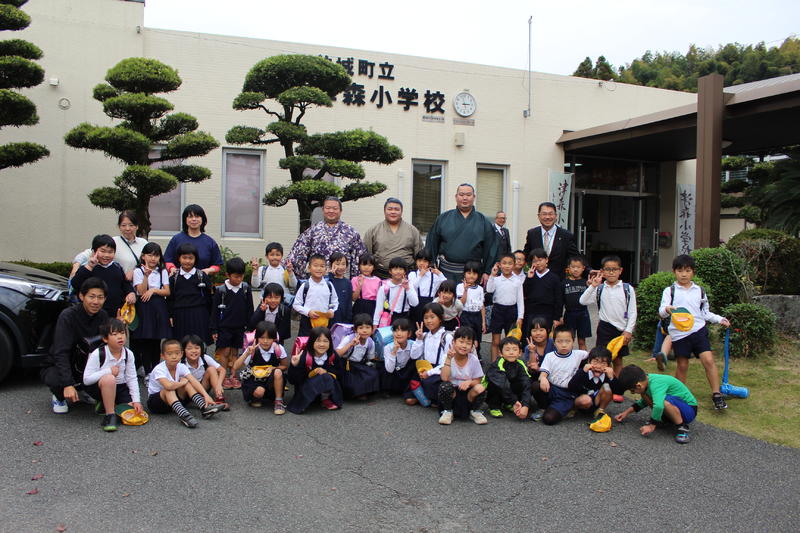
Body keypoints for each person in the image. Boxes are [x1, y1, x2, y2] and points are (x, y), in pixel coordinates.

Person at [658, 254, 731, 410]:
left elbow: (705, 313)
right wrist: (667, 309)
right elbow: (661, 312)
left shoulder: (700, 291)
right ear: (674, 272)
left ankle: (717, 395)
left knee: (708, 360)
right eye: (680, 271)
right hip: (679, 334)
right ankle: (678, 396)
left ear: (693, 272)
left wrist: (720, 319)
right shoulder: (670, 291)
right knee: (682, 365)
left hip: (698, 330)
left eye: (687, 271)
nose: (684, 274)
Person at [42, 277, 110, 414]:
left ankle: (84, 390)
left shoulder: (103, 316)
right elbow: (61, 352)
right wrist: (67, 384)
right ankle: (59, 396)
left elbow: (106, 347)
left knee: (111, 377)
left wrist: (117, 328)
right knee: (56, 379)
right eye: (91, 296)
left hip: (86, 363)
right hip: (63, 362)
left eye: (100, 297)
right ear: (81, 296)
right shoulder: (68, 316)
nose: (96, 302)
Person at [579, 254, 637, 399]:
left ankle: (616, 389)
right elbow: (583, 301)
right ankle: (601, 388)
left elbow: (632, 312)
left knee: (618, 360)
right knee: (602, 360)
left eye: (614, 269)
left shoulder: (627, 289)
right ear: (602, 271)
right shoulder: (600, 288)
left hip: (621, 330)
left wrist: (628, 331)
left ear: (620, 270)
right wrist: (593, 285)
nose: (611, 272)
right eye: (607, 269)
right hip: (605, 328)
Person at [425, 183, 498, 283]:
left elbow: (491, 249)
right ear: (456, 197)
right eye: (461, 194)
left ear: (474, 197)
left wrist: (487, 271)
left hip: (473, 273)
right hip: (446, 272)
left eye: (468, 195)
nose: (465, 198)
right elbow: (432, 243)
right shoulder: (443, 218)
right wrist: (431, 264)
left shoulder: (483, 221)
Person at [146, 338, 224, 428]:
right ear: (162, 356)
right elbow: (168, 385)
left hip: (174, 402)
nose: (174, 356)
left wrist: (206, 395)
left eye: (177, 353)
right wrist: (182, 383)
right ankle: (184, 415)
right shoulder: (159, 369)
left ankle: (204, 407)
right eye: (170, 354)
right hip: (157, 404)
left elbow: (193, 381)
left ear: (181, 354)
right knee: (169, 389)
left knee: (187, 382)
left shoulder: (181, 366)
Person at [82, 318, 142, 432]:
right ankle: (109, 415)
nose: (120, 337)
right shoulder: (98, 353)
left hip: (120, 387)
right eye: (114, 334)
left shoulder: (128, 354)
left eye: (122, 333)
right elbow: (86, 379)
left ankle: (105, 405)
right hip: (98, 387)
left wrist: (136, 400)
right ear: (105, 339)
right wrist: (108, 371)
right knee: (109, 379)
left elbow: (132, 378)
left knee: (131, 409)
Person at [287, 196, 367, 279]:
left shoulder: (350, 232)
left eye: (335, 208)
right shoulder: (312, 231)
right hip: (317, 280)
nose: (331, 211)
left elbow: (359, 259)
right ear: (323, 210)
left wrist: (355, 282)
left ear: (340, 211)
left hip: (341, 280)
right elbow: (298, 256)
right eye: (328, 208)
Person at [615, 364, 698, 444]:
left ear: (639, 385)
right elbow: (643, 402)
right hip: (676, 407)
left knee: (662, 401)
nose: (633, 393)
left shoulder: (656, 384)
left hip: (689, 410)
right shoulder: (647, 383)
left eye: (632, 391)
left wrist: (652, 425)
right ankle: (665, 420)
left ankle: (682, 428)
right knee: (646, 395)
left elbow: (658, 406)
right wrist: (626, 413)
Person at [210, 257, 254, 390]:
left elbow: (250, 308)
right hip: (224, 327)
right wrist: (214, 329)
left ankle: (233, 376)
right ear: (227, 275)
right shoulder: (221, 290)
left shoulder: (245, 288)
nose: (239, 279)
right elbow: (214, 311)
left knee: (235, 352)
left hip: (240, 327)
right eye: (236, 276)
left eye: (241, 276)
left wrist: (250, 326)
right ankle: (223, 376)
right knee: (225, 352)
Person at [131, 242, 171, 382]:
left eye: (156, 255)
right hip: (144, 307)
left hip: (158, 306)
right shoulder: (138, 271)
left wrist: (153, 290)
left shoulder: (162, 271)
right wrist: (146, 276)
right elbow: (141, 291)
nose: (153, 258)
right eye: (150, 255)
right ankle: (148, 372)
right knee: (145, 340)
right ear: (143, 256)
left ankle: (156, 370)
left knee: (157, 340)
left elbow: (167, 291)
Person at [70, 210, 148, 282]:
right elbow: (86, 254)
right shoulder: (113, 242)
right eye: (123, 225)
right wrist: (76, 266)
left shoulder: (143, 243)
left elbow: (150, 263)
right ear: (119, 227)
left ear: (137, 226)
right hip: (118, 283)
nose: (127, 228)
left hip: (141, 285)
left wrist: (134, 271)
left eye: (131, 225)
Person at [533, 325, 588, 425]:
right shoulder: (550, 356)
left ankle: (567, 407)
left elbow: (596, 355)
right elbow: (543, 374)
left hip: (567, 394)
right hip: (552, 389)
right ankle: (543, 407)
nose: (564, 345)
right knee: (536, 385)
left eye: (567, 341)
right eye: (559, 341)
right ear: (554, 342)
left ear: (573, 341)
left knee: (549, 419)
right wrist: (543, 378)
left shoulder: (579, 354)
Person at [71, 234, 136, 318]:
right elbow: (75, 284)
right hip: (93, 315)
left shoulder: (116, 267)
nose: (106, 255)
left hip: (115, 314)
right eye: (103, 251)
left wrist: (131, 292)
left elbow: (125, 284)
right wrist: (90, 266)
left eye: (110, 252)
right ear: (94, 252)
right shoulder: (88, 268)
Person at [233, 321, 288, 414]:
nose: (265, 341)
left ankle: (278, 401)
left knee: (278, 372)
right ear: (257, 338)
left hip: (270, 380)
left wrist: (274, 368)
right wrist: (247, 353)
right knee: (259, 392)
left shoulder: (278, 349)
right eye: (262, 337)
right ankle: (255, 398)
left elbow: (285, 366)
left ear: (274, 338)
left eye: (269, 338)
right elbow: (235, 367)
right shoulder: (252, 349)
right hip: (254, 379)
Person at [437, 326, 488, 425]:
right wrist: (448, 359)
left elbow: (478, 380)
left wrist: (469, 382)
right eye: (461, 342)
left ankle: (475, 411)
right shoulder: (447, 357)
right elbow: (444, 378)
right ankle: (448, 411)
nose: (464, 346)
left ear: (472, 346)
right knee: (444, 386)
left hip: (468, 393)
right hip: (452, 392)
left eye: (468, 343)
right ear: (453, 342)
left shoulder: (473, 359)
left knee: (480, 387)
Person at [363, 197, 424, 279]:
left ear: (401, 212)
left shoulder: (412, 230)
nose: (393, 212)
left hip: (406, 275)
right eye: (390, 209)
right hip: (381, 275)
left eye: (396, 209)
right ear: (384, 211)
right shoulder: (373, 230)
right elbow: (367, 254)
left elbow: (419, 255)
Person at [287, 326, 343, 413]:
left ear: (330, 342)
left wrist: (327, 372)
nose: (322, 344)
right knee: (322, 378)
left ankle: (326, 398)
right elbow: (292, 380)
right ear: (311, 342)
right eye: (318, 341)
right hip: (307, 389)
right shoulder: (304, 356)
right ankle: (304, 402)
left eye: (325, 341)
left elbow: (340, 373)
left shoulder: (332, 355)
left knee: (326, 377)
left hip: (325, 388)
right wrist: (294, 366)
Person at [407, 303, 452, 406]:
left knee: (430, 383)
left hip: (438, 370)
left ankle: (428, 398)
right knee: (409, 399)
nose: (429, 321)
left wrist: (430, 373)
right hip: (424, 368)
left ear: (440, 318)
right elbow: (414, 356)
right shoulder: (425, 335)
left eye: (432, 317)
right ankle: (425, 397)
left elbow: (446, 362)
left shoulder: (446, 337)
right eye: (426, 318)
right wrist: (418, 339)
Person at [168, 243, 213, 344]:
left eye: (191, 258)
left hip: (199, 315)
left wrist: (210, 318)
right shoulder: (174, 278)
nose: (187, 261)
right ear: (179, 258)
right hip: (179, 316)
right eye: (184, 258)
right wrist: (170, 315)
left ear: (195, 259)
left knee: (199, 344)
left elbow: (209, 298)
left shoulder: (202, 276)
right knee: (181, 345)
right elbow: (170, 299)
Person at [522, 201, 579, 280]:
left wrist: (588, 271)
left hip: (558, 280)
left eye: (550, 214)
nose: (547, 217)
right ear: (539, 216)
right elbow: (526, 255)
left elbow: (575, 258)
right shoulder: (532, 234)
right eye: (544, 214)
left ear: (556, 216)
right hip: (536, 279)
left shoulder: (566, 235)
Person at [163, 204, 223, 276]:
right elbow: (167, 260)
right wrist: (171, 268)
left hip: (201, 281)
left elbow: (217, 265)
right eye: (190, 216)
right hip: (179, 280)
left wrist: (208, 270)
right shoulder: (176, 239)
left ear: (203, 219)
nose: (194, 219)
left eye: (197, 216)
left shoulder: (210, 242)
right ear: (185, 219)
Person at [486, 253, 524, 361]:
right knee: (496, 341)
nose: (507, 266)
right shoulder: (496, 279)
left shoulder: (517, 281)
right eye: (504, 263)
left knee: (511, 341)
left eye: (510, 263)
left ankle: (509, 364)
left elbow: (520, 300)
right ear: (499, 265)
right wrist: (492, 275)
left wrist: (520, 317)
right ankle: (494, 364)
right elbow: (489, 289)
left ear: (514, 265)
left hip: (512, 311)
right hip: (498, 310)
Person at [485, 336, 531, 420]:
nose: (511, 352)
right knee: (494, 384)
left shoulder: (520, 364)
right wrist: (514, 401)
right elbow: (502, 385)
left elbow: (526, 383)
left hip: (509, 392)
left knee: (522, 382)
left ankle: (508, 403)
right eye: (507, 350)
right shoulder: (498, 364)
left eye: (515, 349)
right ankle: (494, 406)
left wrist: (525, 405)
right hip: (498, 389)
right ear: (500, 353)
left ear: (520, 353)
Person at [293, 253, 339, 336]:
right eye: (315, 265)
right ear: (309, 268)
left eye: (322, 266)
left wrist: (331, 310)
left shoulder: (329, 285)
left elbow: (334, 301)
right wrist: (308, 312)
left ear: (326, 269)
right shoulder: (305, 285)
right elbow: (296, 304)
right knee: (307, 342)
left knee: (322, 342)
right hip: (307, 322)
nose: (319, 269)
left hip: (324, 321)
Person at [336, 313, 380, 399]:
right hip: (346, 364)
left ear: (372, 330)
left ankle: (363, 392)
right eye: (361, 328)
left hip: (359, 365)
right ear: (355, 330)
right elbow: (337, 353)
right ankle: (355, 394)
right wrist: (350, 344)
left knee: (373, 373)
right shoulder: (349, 338)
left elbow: (370, 358)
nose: (364, 331)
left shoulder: (370, 342)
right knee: (352, 379)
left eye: (367, 327)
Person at [568, 346, 615, 425]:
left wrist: (612, 378)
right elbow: (571, 387)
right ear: (589, 362)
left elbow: (619, 391)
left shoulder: (608, 375)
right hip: (581, 401)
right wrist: (583, 372)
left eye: (603, 363)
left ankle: (600, 411)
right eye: (595, 362)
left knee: (607, 387)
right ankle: (574, 409)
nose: (598, 366)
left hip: (595, 402)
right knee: (586, 400)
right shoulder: (583, 372)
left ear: (608, 365)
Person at [522, 248, 563, 334]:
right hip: (531, 313)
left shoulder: (554, 278)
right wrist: (529, 278)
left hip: (548, 313)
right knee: (531, 335)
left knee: (546, 336)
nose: (538, 263)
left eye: (540, 260)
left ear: (546, 260)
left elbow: (559, 299)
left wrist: (557, 317)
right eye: (534, 261)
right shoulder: (530, 276)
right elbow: (524, 293)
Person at [181, 334, 227, 408]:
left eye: (197, 348)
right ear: (183, 351)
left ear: (201, 349)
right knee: (183, 380)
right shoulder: (181, 363)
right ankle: (194, 401)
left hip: (203, 387)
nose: (194, 351)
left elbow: (222, 370)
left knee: (211, 369)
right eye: (189, 348)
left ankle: (219, 398)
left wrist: (219, 384)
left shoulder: (204, 358)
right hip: (188, 391)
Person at [373, 258, 419, 326]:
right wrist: (375, 324)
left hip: (404, 318)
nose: (398, 272)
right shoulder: (384, 287)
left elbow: (415, 303)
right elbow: (379, 308)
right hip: (389, 318)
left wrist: (407, 289)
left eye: (401, 269)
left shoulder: (409, 285)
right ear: (390, 271)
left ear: (405, 271)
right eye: (395, 269)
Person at [407, 249, 446, 330]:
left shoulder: (433, 276)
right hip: (415, 307)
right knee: (414, 329)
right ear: (416, 261)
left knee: (428, 330)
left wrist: (439, 273)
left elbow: (445, 284)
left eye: (425, 261)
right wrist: (420, 275)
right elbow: (412, 288)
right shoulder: (412, 274)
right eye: (419, 261)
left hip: (429, 307)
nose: (422, 263)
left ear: (429, 263)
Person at [456, 260, 486, 357]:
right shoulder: (460, 286)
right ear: (464, 273)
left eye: (474, 273)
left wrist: (483, 322)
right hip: (465, 315)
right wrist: (465, 290)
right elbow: (461, 303)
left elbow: (482, 306)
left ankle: (477, 356)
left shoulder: (480, 289)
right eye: (469, 273)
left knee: (478, 338)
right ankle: (465, 356)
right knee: (468, 337)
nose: (471, 276)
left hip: (477, 316)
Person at [248, 283, 292, 349]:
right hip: (261, 341)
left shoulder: (284, 310)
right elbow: (252, 325)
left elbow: (284, 331)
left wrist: (272, 339)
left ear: (281, 298)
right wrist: (261, 311)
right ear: (264, 298)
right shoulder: (262, 307)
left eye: (276, 297)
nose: (273, 300)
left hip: (276, 341)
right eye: (269, 297)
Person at [561, 255, 591, 351]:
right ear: (568, 268)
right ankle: (569, 358)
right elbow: (560, 301)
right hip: (569, 314)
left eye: (578, 267)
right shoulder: (564, 283)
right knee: (569, 339)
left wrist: (591, 286)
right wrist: (560, 316)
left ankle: (584, 359)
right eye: (573, 267)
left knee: (582, 341)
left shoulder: (586, 282)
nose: (575, 269)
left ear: (583, 268)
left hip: (583, 314)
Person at [380, 318, 416, 395]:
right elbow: (389, 370)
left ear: (409, 334)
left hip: (407, 372)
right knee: (383, 368)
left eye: (402, 330)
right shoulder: (388, 347)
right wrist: (394, 352)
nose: (398, 333)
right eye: (395, 330)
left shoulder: (414, 344)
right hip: (394, 372)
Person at [351, 253, 381, 318]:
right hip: (359, 307)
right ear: (359, 266)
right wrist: (359, 286)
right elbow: (353, 298)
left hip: (373, 307)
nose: (366, 267)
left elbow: (380, 298)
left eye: (370, 265)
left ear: (374, 267)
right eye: (364, 264)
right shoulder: (355, 279)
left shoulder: (378, 280)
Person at [327, 252, 353, 325]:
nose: (340, 267)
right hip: (328, 318)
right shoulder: (327, 280)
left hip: (342, 320)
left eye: (343, 264)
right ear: (331, 265)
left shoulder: (347, 283)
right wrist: (330, 275)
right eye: (337, 264)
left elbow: (349, 304)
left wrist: (348, 320)